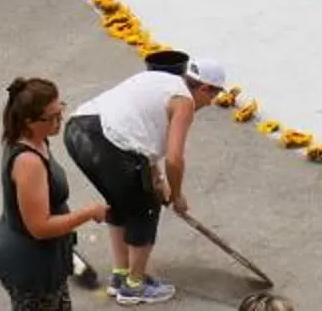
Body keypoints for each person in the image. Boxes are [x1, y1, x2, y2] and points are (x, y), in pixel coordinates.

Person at [66, 53, 231, 306]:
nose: (210, 103)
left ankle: (121, 276)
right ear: (206, 87)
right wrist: (176, 195)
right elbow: (175, 158)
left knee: (121, 201)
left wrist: (158, 179)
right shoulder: (184, 102)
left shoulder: (159, 80)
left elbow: (142, 138)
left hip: (78, 131)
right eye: (213, 95)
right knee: (146, 207)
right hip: (110, 142)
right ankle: (135, 286)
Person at [0, 76, 107, 311]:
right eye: (52, 117)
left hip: (49, 256)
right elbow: (40, 227)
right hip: (30, 263)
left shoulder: (38, 139)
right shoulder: (28, 162)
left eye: (60, 110)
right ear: (28, 121)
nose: (60, 120)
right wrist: (87, 213)